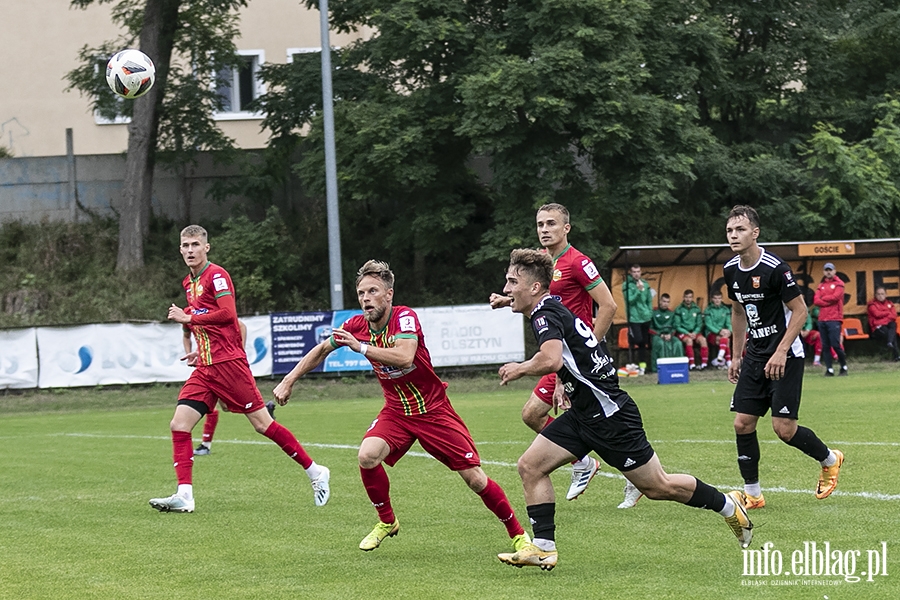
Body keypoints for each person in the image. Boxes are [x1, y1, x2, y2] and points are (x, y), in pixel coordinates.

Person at [495, 249, 753, 570]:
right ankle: (544, 548)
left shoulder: (546, 315)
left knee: (659, 486)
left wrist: (518, 368)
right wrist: (510, 302)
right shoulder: (549, 307)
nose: (506, 288)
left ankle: (727, 505)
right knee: (530, 466)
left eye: (511, 282)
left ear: (534, 288)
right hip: (584, 414)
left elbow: (551, 359)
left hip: (610, 417)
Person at [274, 260, 530, 553]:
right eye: (361, 293)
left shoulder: (404, 318)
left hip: (433, 411)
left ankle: (519, 535)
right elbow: (321, 350)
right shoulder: (356, 325)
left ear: (389, 294)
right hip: (397, 412)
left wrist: (360, 347)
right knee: (367, 456)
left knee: (474, 478)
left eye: (373, 291)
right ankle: (387, 521)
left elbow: (405, 357)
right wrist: (289, 379)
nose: (366, 298)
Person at [149, 225, 330, 513]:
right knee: (179, 424)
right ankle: (185, 495)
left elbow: (228, 315)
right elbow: (208, 322)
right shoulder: (189, 283)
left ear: (206, 247)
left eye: (195, 244)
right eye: (185, 245)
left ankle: (315, 471)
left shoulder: (217, 276)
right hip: (206, 367)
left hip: (228, 366)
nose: (190, 250)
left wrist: (189, 318)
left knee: (262, 425)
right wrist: (200, 348)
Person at [489, 203, 617, 502]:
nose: (544, 230)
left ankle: (605, 466)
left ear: (566, 228)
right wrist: (506, 301)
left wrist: (589, 350)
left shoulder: (577, 262)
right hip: (560, 355)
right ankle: (600, 464)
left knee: (551, 416)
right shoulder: (542, 264)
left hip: (575, 358)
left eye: (551, 224)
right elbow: (539, 303)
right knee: (547, 416)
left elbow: (608, 306)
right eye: (540, 224)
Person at [724, 205, 843, 511]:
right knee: (742, 423)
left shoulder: (775, 268)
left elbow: (801, 310)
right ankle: (753, 494)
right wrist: (736, 355)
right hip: (755, 354)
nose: (734, 236)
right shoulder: (730, 270)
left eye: (740, 230)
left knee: (783, 429)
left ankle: (830, 459)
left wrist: (780, 351)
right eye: (729, 231)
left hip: (786, 354)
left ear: (755, 233)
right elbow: (738, 311)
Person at [192, 320, 277, 456]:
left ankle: (205, 445)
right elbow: (189, 336)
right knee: (225, 407)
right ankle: (264, 411)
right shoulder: (188, 313)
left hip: (224, 365)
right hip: (209, 364)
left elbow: (241, 325)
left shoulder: (211, 310)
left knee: (212, 405)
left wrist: (238, 352)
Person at [813, 262, 849, 376]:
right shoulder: (821, 285)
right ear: (824, 272)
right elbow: (816, 300)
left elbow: (835, 297)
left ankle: (843, 366)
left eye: (830, 270)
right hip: (822, 319)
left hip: (834, 318)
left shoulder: (839, 284)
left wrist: (823, 298)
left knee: (836, 344)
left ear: (834, 271)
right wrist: (827, 300)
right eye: (826, 270)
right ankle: (829, 369)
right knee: (825, 345)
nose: (828, 272)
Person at [622, 263, 653, 369]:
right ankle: (632, 363)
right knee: (638, 340)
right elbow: (629, 300)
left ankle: (642, 365)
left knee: (644, 342)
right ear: (630, 273)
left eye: (638, 271)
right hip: (634, 318)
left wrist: (649, 312)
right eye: (634, 272)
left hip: (645, 317)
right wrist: (638, 291)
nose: (636, 274)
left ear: (641, 272)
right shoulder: (626, 285)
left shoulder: (645, 284)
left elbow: (649, 300)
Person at [674, 289, 708, 370]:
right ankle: (692, 365)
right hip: (683, 332)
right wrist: (687, 333)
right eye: (686, 297)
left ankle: (704, 364)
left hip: (694, 332)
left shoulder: (696, 309)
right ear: (683, 297)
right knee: (689, 340)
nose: (688, 299)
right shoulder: (679, 309)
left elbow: (699, 324)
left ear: (692, 298)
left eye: (690, 297)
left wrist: (695, 332)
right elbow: (677, 326)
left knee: (703, 340)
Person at [649, 293, 683, 372]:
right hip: (657, 336)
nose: (665, 304)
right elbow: (650, 328)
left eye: (667, 302)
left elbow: (675, 327)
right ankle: (660, 368)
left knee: (678, 343)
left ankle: (677, 367)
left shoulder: (671, 313)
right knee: (661, 344)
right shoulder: (653, 312)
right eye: (664, 301)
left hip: (669, 335)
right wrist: (659, 335)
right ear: (660, 301)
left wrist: (670, 335)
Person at [867, 285, 900, 361]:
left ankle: (890, 344)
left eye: (882, 294)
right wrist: (888, 313)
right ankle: (896, 355)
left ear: (886, 295)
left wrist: (883, 316)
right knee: (892, 334)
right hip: (877, 327)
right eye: (878, 294)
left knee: (893, 324)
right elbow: (877, 314)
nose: (880, 296)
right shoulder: (872, 304)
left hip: (887, 325)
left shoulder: (889, 303)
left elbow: (894, 315)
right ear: (875, 295)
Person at [704, 291, 732, 368]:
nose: (717, 300)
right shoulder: (708, 310)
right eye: (715, 298)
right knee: (724, 339)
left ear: (722, 299)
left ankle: (720, 357)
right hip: (711, 333)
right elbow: (708, 325)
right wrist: (719, 331)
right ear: (712, 299)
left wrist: (729, 330)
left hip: (723, 333)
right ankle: (728, 361)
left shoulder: (725, 309)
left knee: (725, 339)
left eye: (719, 298)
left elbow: (728, 323)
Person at [800, 300, 822, 367]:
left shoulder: (805, 308)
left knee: (818, 335)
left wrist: (807, 330)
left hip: (806, 332)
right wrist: (799, 330)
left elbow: (809, 322)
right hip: (794, 332)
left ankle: (816, 360)